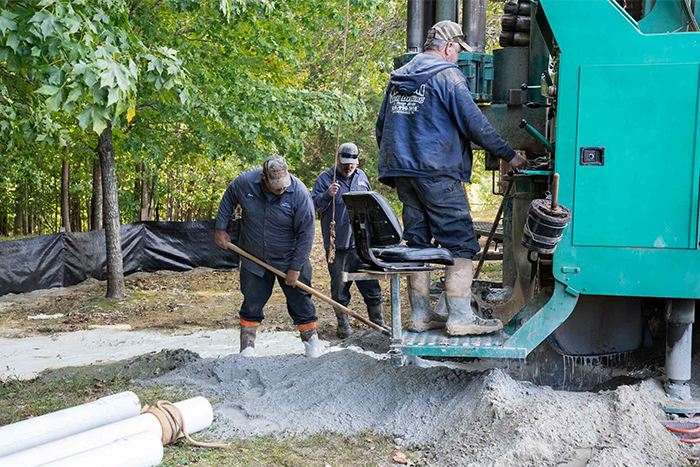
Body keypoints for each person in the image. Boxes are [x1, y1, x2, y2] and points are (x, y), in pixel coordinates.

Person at [375, 20, 530, 337]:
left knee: (417, 243)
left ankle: (419, 316)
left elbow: (381, 127)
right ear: (448, 47)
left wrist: (404, 161)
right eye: (458, 51)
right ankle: (460, 317)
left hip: (402, 171)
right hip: (438, 172)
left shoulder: (399, 78)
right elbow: (477, 126)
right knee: (460, 242)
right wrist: (511, 156)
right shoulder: (448, 76)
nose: (458, 58)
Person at [214, 156, 320, 357]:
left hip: (290, 257)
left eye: (283, 186)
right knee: (252, 301)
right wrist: (221, 228)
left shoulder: (299, 193)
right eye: (276, 186)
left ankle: (312, 348)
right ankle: (247, 350)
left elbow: (307, 233)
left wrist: (295, 268)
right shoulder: (245, 183)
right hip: (254, 258)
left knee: (302, 302)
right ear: (264, 177)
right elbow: (229, 197)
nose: (281, 189)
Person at [311, 143, 385, 339]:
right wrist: (327, 195)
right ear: (337, 160)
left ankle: (378, 324)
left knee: (371, 283)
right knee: (340, 286)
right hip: (339, 244)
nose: (348, 167)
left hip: (363, 244)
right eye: (345, 164)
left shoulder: (362, 177)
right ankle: (344, 327)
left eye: (352, 163)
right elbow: (312, 205)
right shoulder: (325, 179)